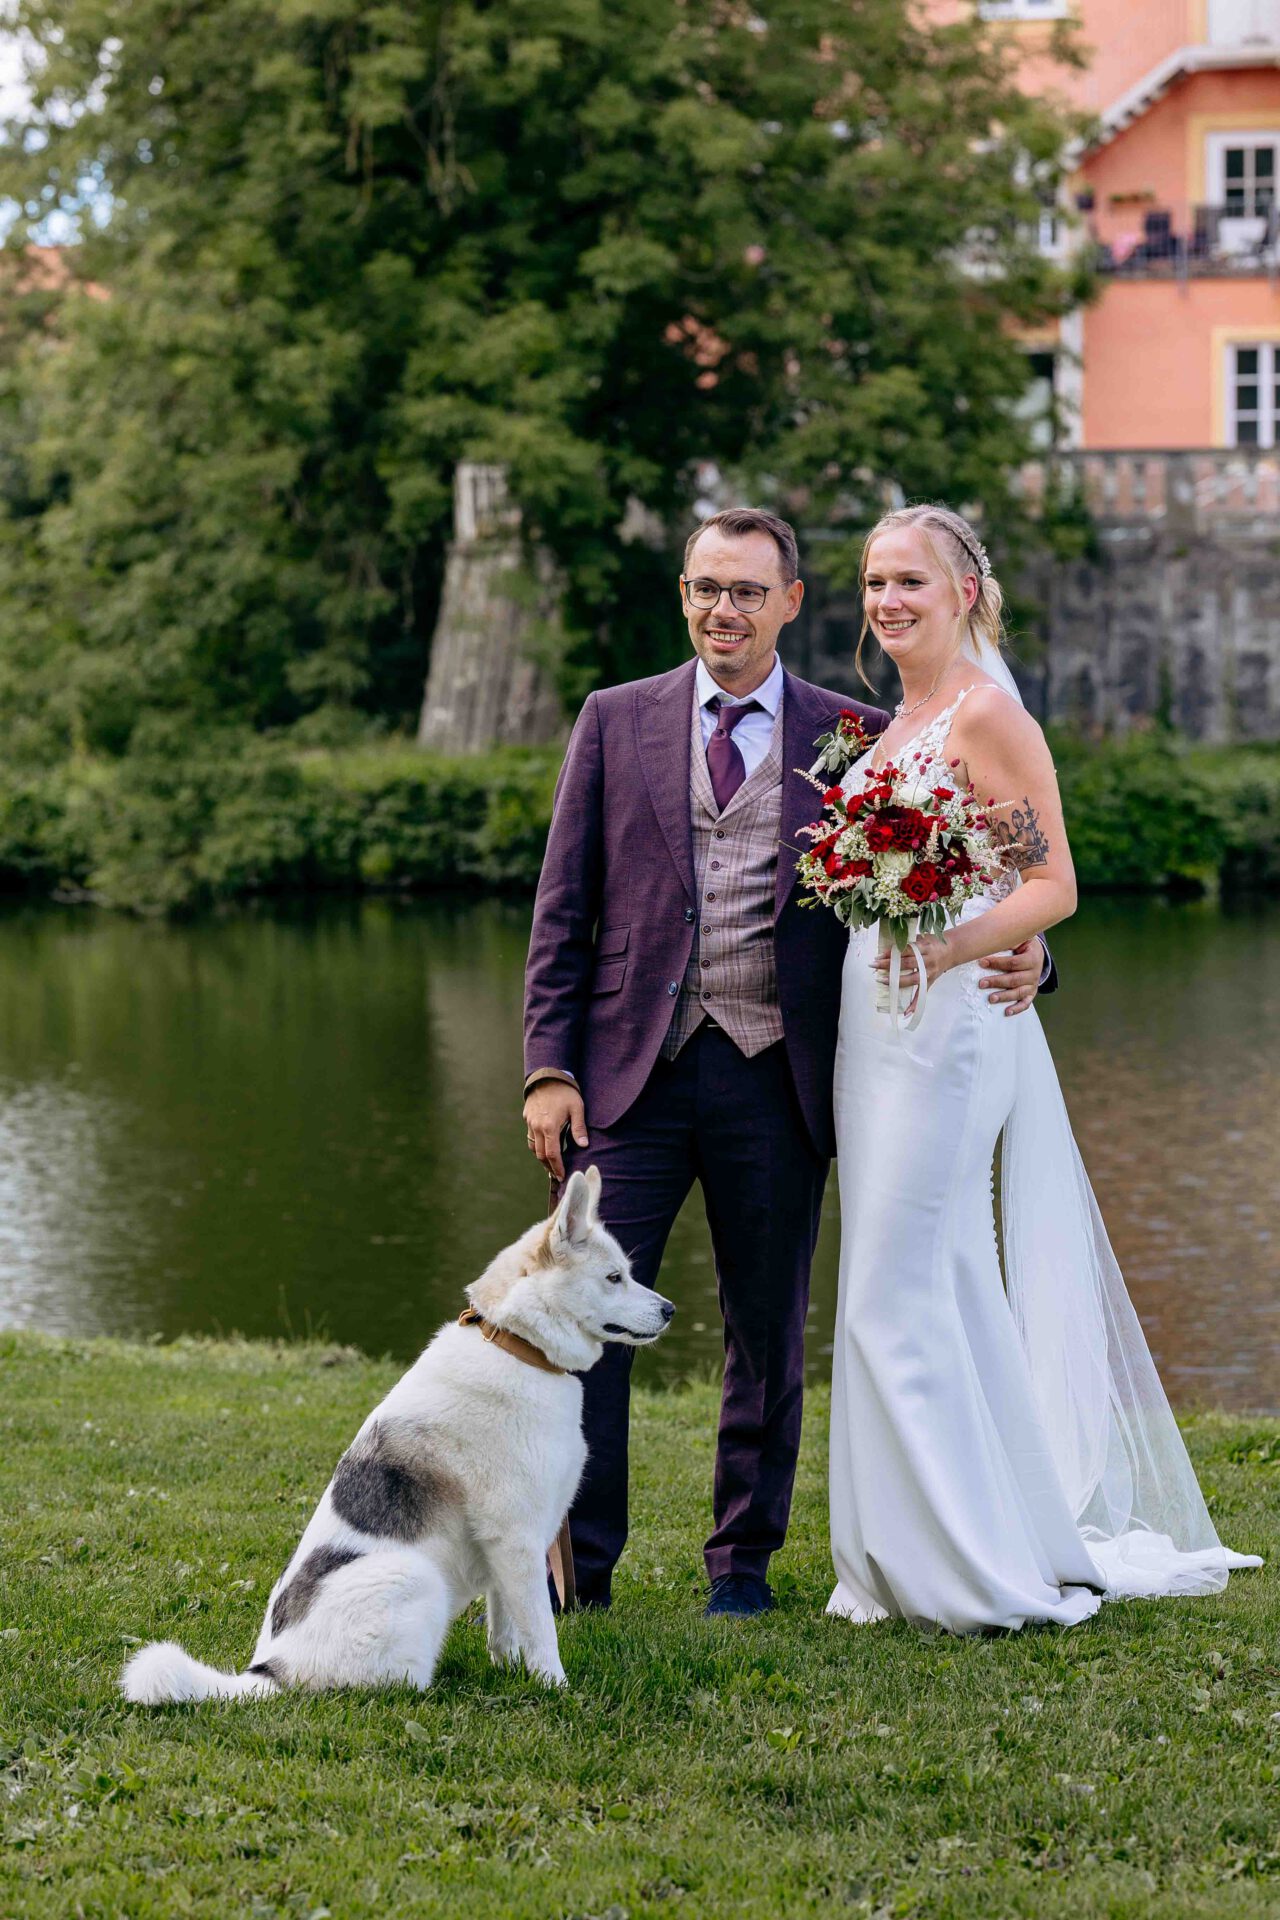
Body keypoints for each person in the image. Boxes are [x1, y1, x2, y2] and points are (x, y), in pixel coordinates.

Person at [521, 508, 1052, 1617]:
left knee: (767, 1331)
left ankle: (740, 1568)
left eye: (748, 592)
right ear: (682, 595)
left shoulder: (860, 733)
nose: (725, 609)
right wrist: (547, 1068)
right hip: (630, 1073)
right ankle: (584, 1567)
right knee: (586, 1319)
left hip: (782, 1076)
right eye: (707, 588)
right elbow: (562, 907)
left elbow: (1003, 857)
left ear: (790, 603)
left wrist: (1030, 948)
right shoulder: (614, 721)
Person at [826, 504, 1260, 1631]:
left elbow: (1045, 882)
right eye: (874, 583)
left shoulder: (985, 717)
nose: (887, 602)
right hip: (872, 1025)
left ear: (964, 590)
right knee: (943, 1274)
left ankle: (960, 1563)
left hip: (947, 1023)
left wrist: (956, 945)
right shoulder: (891, 723)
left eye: (909, 582)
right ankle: (919, 1538)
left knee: (893, 1280)